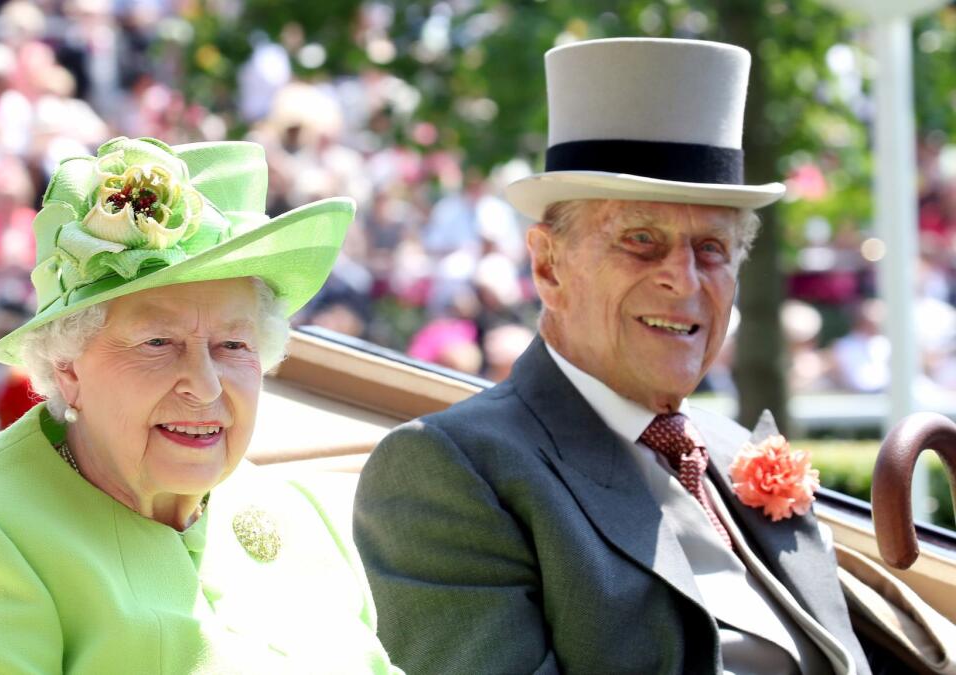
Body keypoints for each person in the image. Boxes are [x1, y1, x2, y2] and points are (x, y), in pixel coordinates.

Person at [354, 38, 871, 675]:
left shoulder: (732, 450)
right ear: (547, 265)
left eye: (710, 248)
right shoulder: (452, 470)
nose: (683, 281)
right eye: (642, 240)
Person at [0, 136, 400, 673]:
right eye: (158, 343)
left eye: (233, 346)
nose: (205, 387)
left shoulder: (297, 511)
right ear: (68, 367)